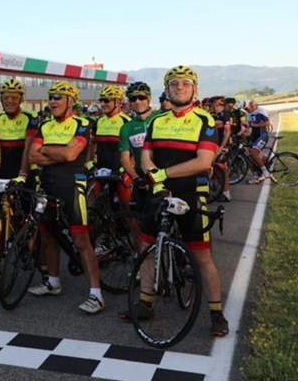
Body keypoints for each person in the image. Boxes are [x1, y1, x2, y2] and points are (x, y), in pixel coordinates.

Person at [123, 65, 229, 337]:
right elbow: (146, 157)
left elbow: (203, 162)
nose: (179, 87)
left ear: (194, 89)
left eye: (185, 83)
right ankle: (146, 302)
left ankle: (216, 313)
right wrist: (157, 183)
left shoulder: (204, 120)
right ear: (167, 89)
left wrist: (164, 174)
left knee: (202, 256)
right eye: (173, 84)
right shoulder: (157, 121)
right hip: (158, 191)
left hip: (191, 192)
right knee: (147, 246)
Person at [27, 81, 104, 314]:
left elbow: (72, 154)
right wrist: (59, 154)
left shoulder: (82, 123)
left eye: (58, 97)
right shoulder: (45, 125)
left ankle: (96, 294)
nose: (52, 101)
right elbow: (32, 155)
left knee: (81, 240)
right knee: (48, 236)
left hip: (72, 185)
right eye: (51, 97)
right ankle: (53, 282)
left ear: (71, 101)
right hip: (48, 184)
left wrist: (47, 150)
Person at [119, 82, 157, 223]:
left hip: (163, 176)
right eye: (133, 99)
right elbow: (124, 159)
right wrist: (136, 178)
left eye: (141, 97)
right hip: (141, 178)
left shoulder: (160, 118)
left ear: (149, 99)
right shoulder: (126, 128)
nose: (138, 101)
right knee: (136, 220)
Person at [90, 85, 132, 209]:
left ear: (118, 102)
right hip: (101, 168)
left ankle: (129, 225)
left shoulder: (127, 121)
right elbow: (92, 142)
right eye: (101, 100)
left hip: (120, 170)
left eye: (107, 100)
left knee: (125, 205)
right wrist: (90, 161)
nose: (103, 104)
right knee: (92, 200)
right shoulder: (99, 121)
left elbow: (135, 150)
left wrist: (127, 169)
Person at [245, 100, 272, 184]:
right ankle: (256, 175)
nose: (246, 110)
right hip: (254, 136)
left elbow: (267, 123)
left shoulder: (261, 110)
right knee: (246, 154)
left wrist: (253, 125)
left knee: (254, 153)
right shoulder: (248, 113)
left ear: (252, 105)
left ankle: (266, 173)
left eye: (247, 108)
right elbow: (248, 126)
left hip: (262, 135)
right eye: (245, 109)